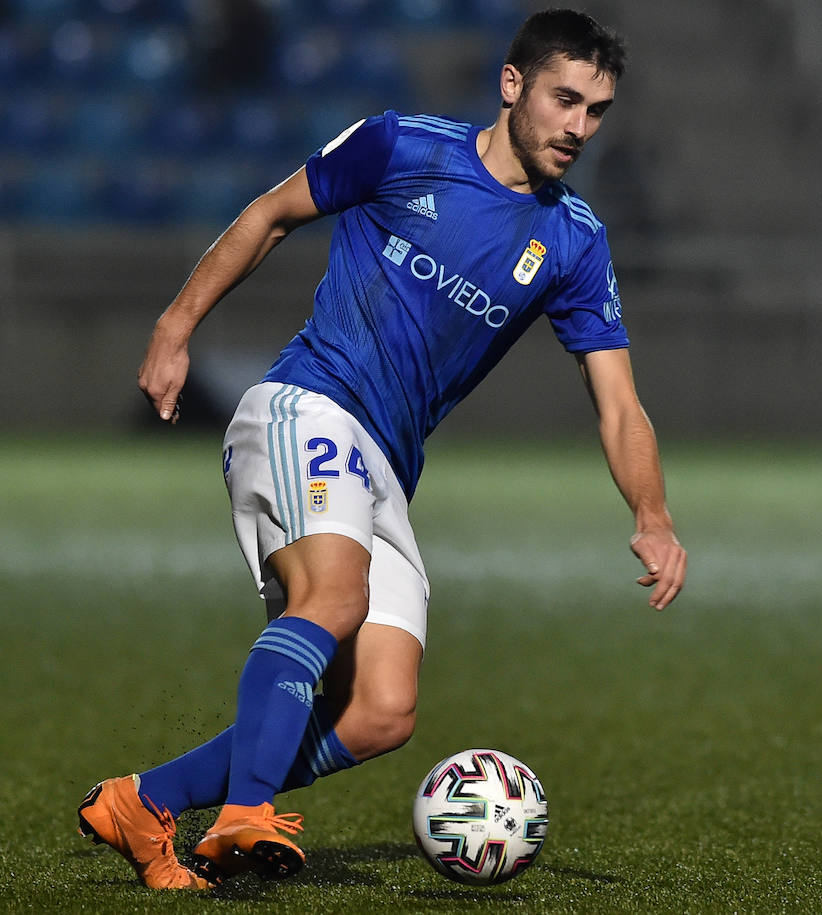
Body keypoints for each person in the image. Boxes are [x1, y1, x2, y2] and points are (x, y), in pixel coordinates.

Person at [76, 8, 686, 891]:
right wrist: (175, 327)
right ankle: (245, 812)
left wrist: (653, 514)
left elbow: (619, 403)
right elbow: (270, 214)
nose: (578, 128)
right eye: (564, 99)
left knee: (380, 712)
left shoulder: (574, 241)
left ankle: (146, 800)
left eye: (596, 111)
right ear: (512, 85)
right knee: (334, 597)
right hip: (305, 406)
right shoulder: (402, 146)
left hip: (386, 470)